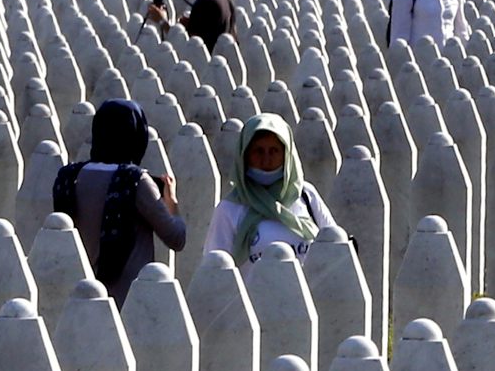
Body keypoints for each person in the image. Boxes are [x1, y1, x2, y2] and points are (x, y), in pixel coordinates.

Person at [52, 99, 187, 305]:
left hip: (79, 298)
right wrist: (172, 201)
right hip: (128, 301)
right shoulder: (134, 181)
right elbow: (176, 238)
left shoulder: (70, 177)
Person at [204, 112, 339, 267]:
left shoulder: (305, 196)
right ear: (245, 155)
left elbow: (333, 244)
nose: (266, 160)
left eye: (274, 151)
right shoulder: (229, 209)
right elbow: (215, 268)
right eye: (258, 151)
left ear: (286, 155)